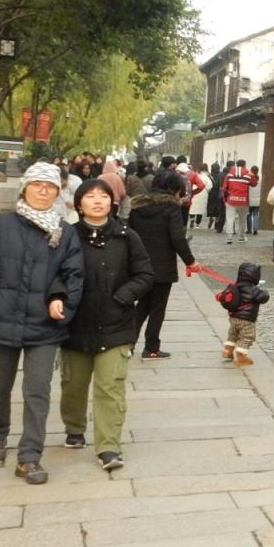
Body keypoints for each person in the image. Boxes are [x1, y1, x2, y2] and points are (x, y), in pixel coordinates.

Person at [0, 162, 84, 484]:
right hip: (2, 318)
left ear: (58, 192)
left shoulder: (65, 232)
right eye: (37, 185)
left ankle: (30, 456)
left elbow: (73, 276)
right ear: (25, 188)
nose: (43, 191)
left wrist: (63, 303)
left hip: (45, 325)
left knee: (37, 390)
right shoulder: (0, 225)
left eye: (50, 187)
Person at [59, 178, 153, 470]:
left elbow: (145, 274)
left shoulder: (127, 236)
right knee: (73, 385)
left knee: (110, 387)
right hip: (76, 324)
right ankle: (74, 428)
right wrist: (58, 298)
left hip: (116, 324)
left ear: (112, 202)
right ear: (79, 204)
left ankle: (109, 446)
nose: (97, 201)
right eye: (90, 196)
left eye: (103, 196)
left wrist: (123, 297)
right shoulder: (66, 237)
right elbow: (54, 274)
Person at [128, 170, 200, 359]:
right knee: (157, 307)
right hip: (162, 266)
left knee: (142, 305)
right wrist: (190, 261)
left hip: (140, 266)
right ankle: (151, 347)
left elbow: (130, 237)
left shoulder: (137, 207)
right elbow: (177, 238)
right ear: (173, 189)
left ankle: (127, 343)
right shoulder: (171, 208)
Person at [216, 261, 269, 366]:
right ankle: (241, 356)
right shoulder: (252, 290)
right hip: (246, 319)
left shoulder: (234, 286)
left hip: (233, 317)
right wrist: (264, 292)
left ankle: (227, 350)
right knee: (247, 336)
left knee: (233, 334)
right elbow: (264, 297)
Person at [221, 160, 252, 243]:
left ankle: (229, 238)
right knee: (242, 220)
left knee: (230, 219)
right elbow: (254, 183)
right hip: (243, 201)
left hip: (231, 200)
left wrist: (225, 200)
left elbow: (224, 188)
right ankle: (241, 237)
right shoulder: (248, 176)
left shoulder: (229, 175)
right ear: (244, 166)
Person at [189, 162, 212, 228]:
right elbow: (210, 186)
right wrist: (207, 191)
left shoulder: (195, 175)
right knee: (200, 209)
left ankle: (192, 219)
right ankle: (197, 224)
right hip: (203, 193)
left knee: (192, 207)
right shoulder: (207, 177)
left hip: (194, 191)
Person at [247, 166, 262, 235]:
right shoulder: (260, 181)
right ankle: (255, 229)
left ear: (251, 170)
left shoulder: (249, 180)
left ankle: (249, 229)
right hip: (257, 200)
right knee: (256, 214)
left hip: (250, 200)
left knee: (249, 215)